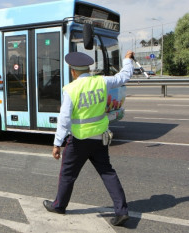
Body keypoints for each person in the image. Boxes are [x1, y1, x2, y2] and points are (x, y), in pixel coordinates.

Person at [43, 51, 134, 227]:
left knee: (67, 174)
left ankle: (59, 205)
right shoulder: (102, 82)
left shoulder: (71, 89)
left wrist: (57, 144)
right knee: (108, 173)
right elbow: (123, 76)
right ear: (88, 69)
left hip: (79, 141)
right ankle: (122, 211)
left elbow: (64, 120)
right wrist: (127, 60)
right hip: (100, 139)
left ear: (73, 71)